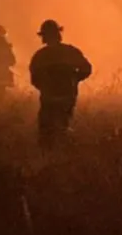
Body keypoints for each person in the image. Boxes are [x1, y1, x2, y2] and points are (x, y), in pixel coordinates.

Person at [29, 19, 92, 148]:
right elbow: (87, 68)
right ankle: (64, 152)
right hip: (67, 96)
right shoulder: (70, 52)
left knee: (46, 129)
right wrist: (74, 79)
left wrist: (45, 87)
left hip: (48, 98)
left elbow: (34, 78)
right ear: (58, 34)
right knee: (63, 125)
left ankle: (48, 154)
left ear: (44, 37)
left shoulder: (40, 56)